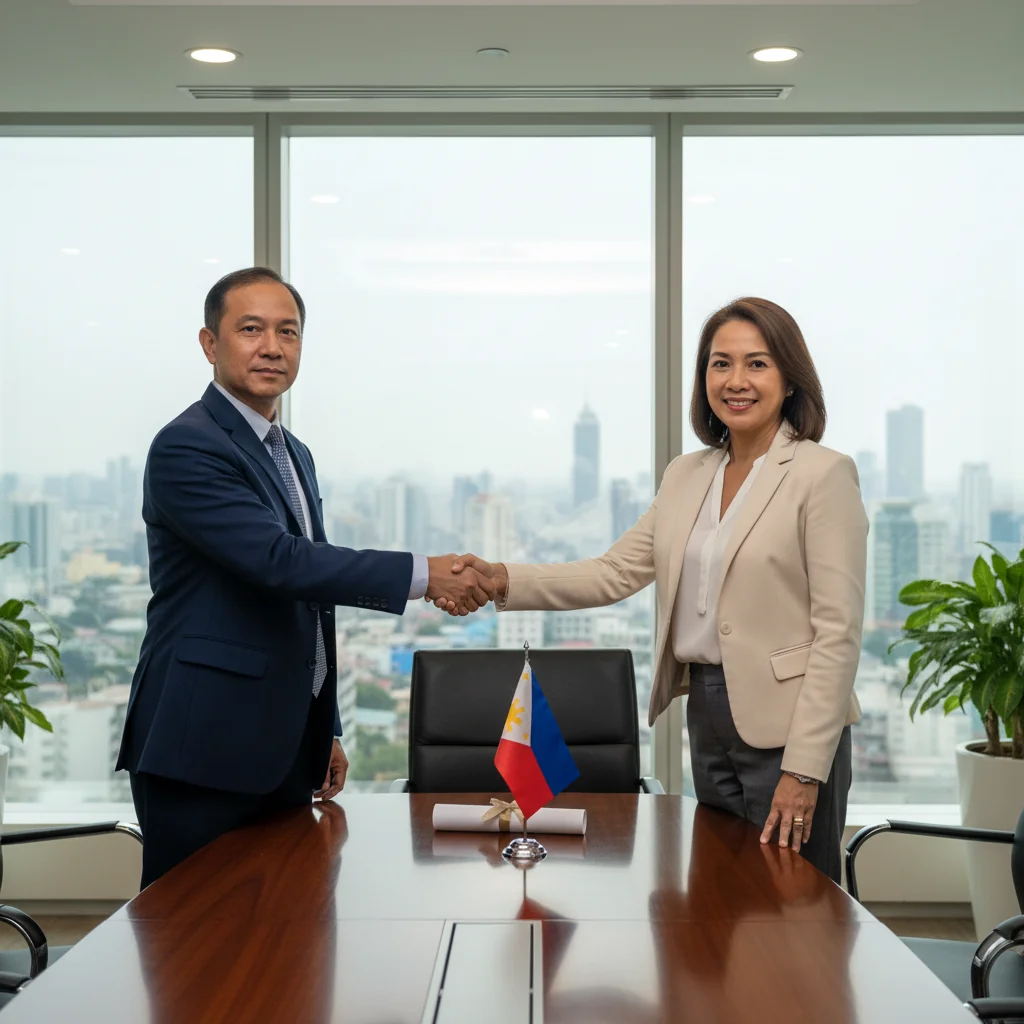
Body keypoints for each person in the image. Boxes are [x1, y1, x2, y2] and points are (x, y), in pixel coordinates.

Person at [444, 297, 867, 882]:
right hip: (709, 713)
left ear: (790, 378)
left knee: (793, 907)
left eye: (757, 364)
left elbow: (838, 635)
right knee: (722, 897)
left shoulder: (822, 474)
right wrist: (498, 578)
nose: (736, 381)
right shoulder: (686, 474)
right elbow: (613, 571)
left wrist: (804, 769)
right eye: (720, 364)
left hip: (791, 725)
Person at [117, 267, 495, 887]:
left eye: (287, 332)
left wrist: (325, 728)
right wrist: (425, 574)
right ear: (211, 344)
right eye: (251, 329)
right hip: (204, 746)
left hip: (282, 748)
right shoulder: (187, 446)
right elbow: (281, 563)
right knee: (193, 950)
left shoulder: (291, 451)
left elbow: (311, 604)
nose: (272, 346)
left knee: (283, 948)